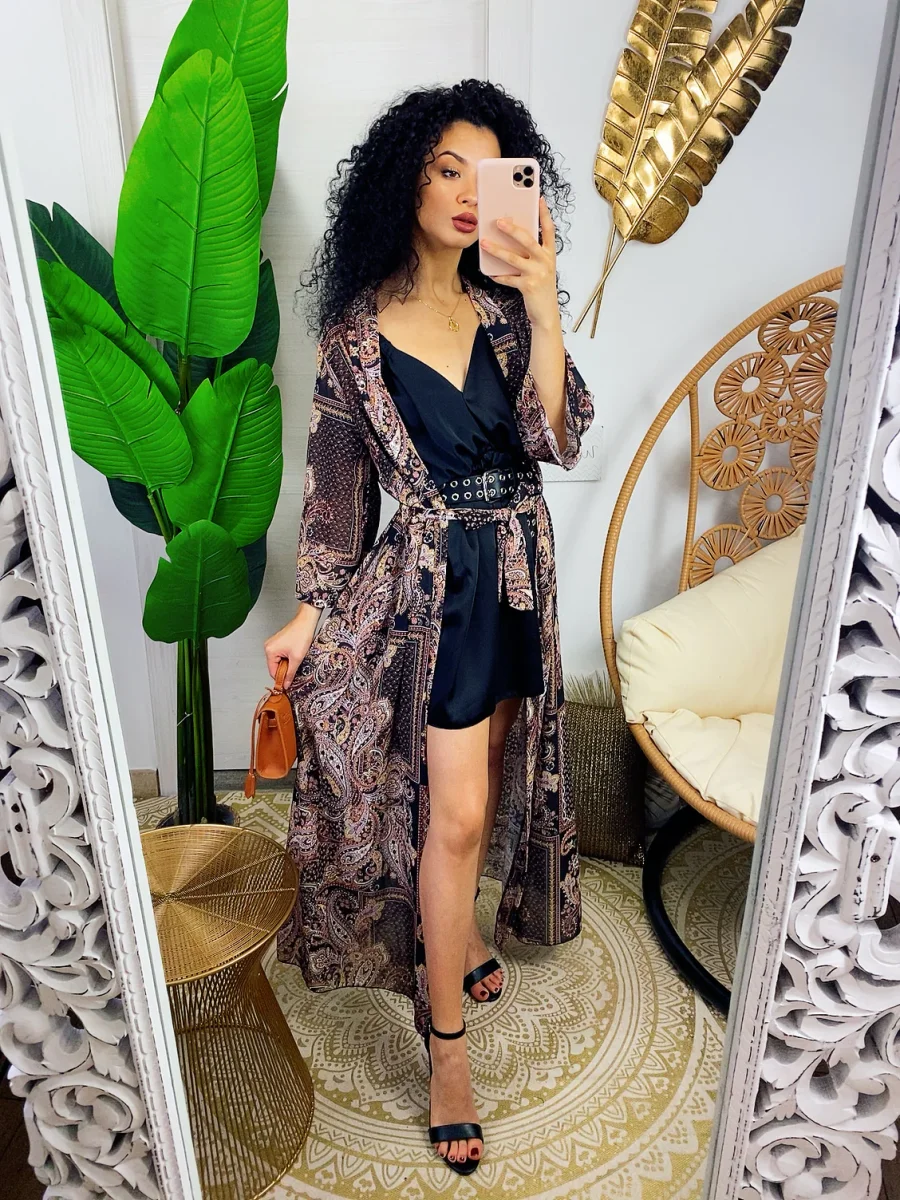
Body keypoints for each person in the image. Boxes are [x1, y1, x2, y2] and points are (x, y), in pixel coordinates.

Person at [268, 78, 594, 1177]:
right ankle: (445, 1050)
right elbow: (337, 491)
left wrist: (545, 302)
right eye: (446, 168)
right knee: (450, 817)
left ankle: (465, 936)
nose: (465, 192)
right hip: (434, 590)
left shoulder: (505, 311)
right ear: (403, 180)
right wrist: (312, 611)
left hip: (522, 577)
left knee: (492, 778)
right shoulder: (356, 338)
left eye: (487, 173)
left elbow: (556, 437)